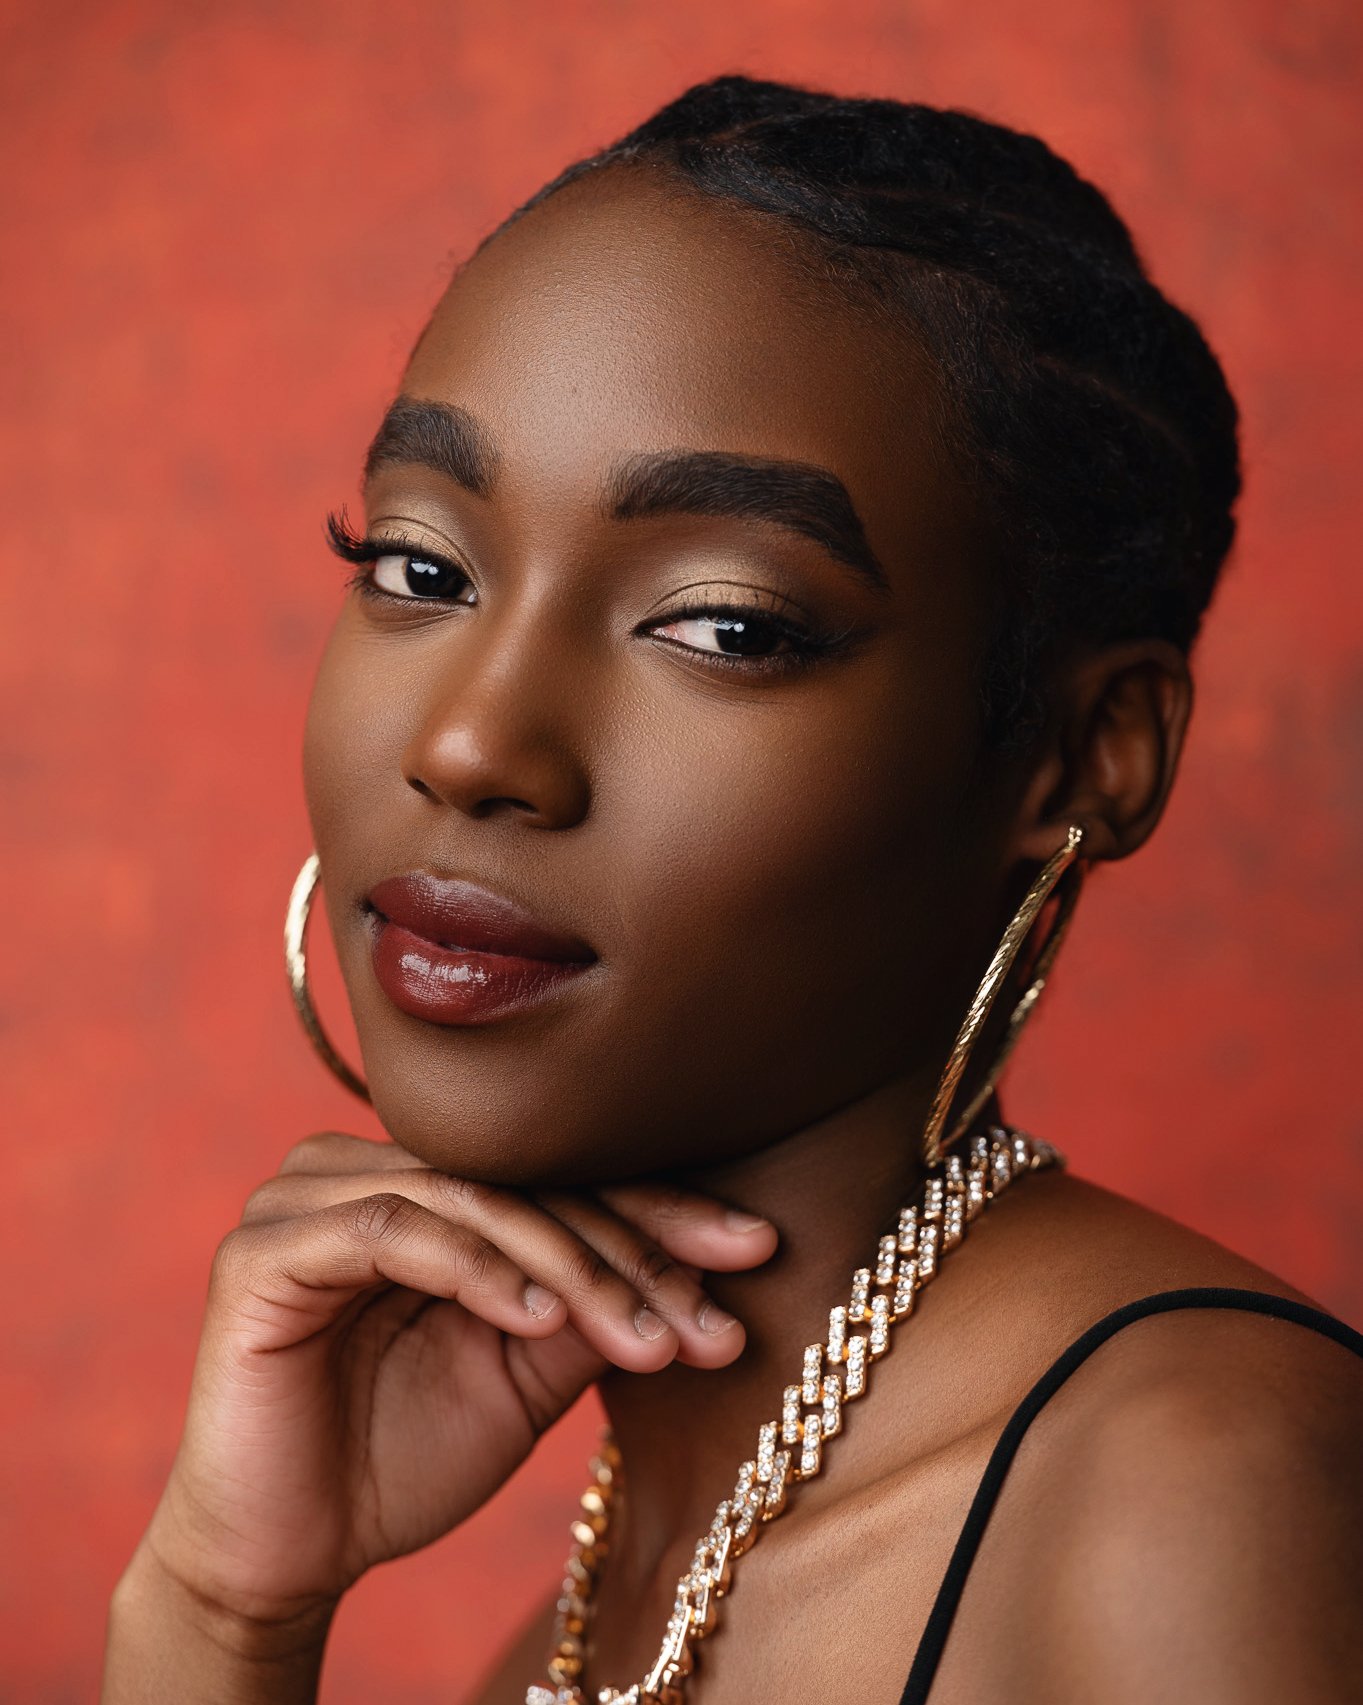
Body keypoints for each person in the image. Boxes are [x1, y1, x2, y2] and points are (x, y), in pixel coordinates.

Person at [100, 73, 1363, 1705]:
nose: (471, 743)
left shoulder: (1193, 1489)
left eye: (724, 625)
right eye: (421, 567)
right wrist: (218, 1609)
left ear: (1084, 755)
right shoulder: (584, 1622)